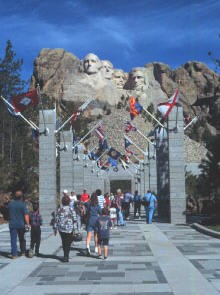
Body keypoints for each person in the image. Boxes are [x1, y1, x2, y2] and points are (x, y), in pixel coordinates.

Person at [8, 190, 30, 258]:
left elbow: (7, 212)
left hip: (12, 224)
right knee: (22, 239)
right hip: (21, 225)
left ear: (15, 196)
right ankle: (23, 252)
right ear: (21, 197)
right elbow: (26, 215)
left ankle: (14, 255)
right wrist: (28, 224)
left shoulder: (10, 204)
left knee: (13, 240)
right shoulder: (23, 204)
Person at [53, 195, 75, 262]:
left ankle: (65, 255)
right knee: (68, 242)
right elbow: (75, 220)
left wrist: (55, 228)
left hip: (61, 228)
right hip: (70, 228)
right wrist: (76, 229)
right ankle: (66, 255)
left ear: (62, 202)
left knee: (64, 241)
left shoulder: (59, 210)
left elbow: (56, 220)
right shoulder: (71, 210)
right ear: (69, 202)